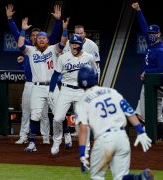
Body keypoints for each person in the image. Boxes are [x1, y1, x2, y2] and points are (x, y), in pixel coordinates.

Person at [75, 65, 152, 179]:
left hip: (104, 141)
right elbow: (129, 111)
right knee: (120, 177)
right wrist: (140, 131)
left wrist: (82, 154)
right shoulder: (111, 91)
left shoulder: (82, 101)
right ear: (96, 77)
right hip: (122, 138)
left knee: (97, 176)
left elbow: (83, 128)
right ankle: (139, 178)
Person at [5, 4, 64, 144]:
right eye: (33, 35)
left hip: (44, 84)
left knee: (43, 114)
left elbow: (55, 35)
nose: (35, 37)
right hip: (30, 83)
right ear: (31, 38)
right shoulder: (28, 47)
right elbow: (15, 35)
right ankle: (23, 136)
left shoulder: (48, 48)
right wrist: (10, 19)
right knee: (26, 111)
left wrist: (57, 21)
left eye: (38, 36)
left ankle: (45, 137)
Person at [17, 17, 67, 152]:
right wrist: (22, 30)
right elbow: (20, 44)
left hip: (52, 86)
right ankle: (32, 143)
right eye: (38, 38)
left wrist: (65, 29)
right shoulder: (30, 50)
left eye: (43, 38)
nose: (40, 39)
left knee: (58, 115)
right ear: (35, 40)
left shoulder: (53, 49)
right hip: (37, 87)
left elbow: (63, 42)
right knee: (35, 115)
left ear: (47, 40)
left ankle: (62, 137)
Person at [49, 34, 97, 155]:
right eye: (72, 44)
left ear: (81, 45)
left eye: (77, 44)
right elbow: (55, 75)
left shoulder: (89, 57)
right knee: (57, 118)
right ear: (69, 45)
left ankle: (85, 149)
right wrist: (51, 90)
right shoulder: (63, 58)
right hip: (66, 90)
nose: (74, 46)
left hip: (82, 91)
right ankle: (57, 141)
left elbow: (94, 74)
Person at [132, 2, 163, 141]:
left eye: (153, 33)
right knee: (145, 112)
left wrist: (146, 71)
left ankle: (156, 136)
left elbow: (161, 70)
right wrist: (139, 11)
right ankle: (154, 135)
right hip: (150, 83)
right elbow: (144, 27)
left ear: (159, 34)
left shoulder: (161, 50)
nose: (150, 35)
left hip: (158, 84)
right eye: (150, 33)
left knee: (155, 111)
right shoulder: (152, 43)